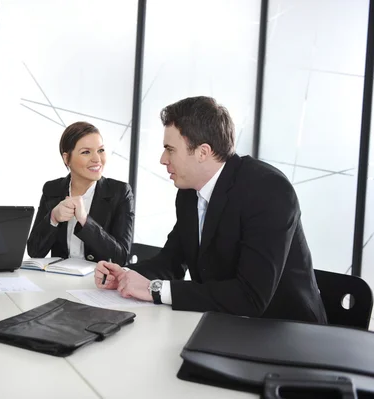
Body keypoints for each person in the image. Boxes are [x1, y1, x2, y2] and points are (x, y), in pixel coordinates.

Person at [95, 96, 327, 324]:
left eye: (170, 149)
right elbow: (170, 263)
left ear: (202, 152)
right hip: (222, 323)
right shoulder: (188, 193)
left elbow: (250, 297)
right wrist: (124, 276)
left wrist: (154, 290)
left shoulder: (268, 190)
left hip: (285, 331)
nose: (162, 159)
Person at [27, 121, 134, 266]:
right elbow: (34, 251)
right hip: (58, 280)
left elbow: (121, 257)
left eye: (101, 150)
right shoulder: (52, 189)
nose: (97, 159)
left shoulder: (120, 192)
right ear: (67, 158)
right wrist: (53, 218)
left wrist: (85, 221)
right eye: (86, 152)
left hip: (98, 283)